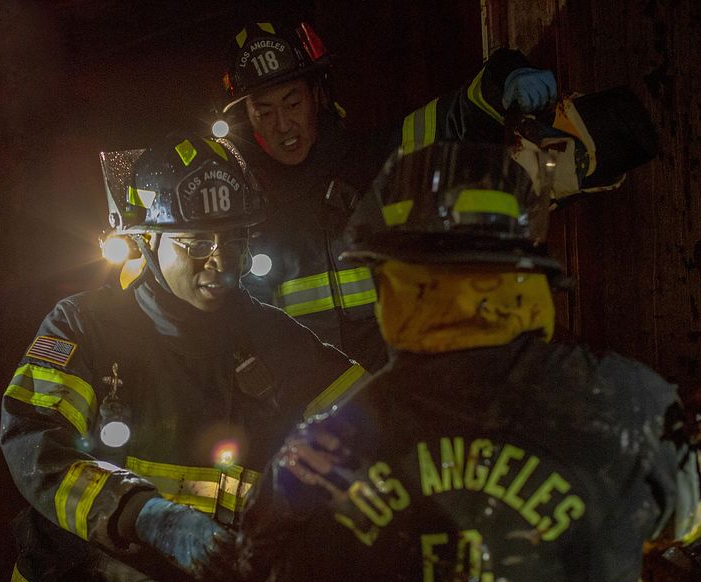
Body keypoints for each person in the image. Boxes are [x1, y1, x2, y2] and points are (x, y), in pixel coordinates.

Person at [236, 141, 701, 582]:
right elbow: (685, 515)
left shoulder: (321, 451)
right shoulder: (628, 403)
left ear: (390, 284)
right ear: (522, 271)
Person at [0, 131, 367, 582]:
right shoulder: (83, 327)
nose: (220, 261)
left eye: (234, 241)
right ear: (147, 241)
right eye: (195, 243)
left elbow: (373, 418)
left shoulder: (268, 336)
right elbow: (38, 442)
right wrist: (149, 515)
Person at [217, 18, 562, 373]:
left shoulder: (372, 160)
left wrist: (504, 80)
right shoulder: (240, 206)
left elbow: (452, 118)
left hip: (399, 393)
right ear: (246, 116)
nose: (283, 125)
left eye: (292, 103)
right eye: (265, 111)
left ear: (316, 95)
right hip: (315, 411)